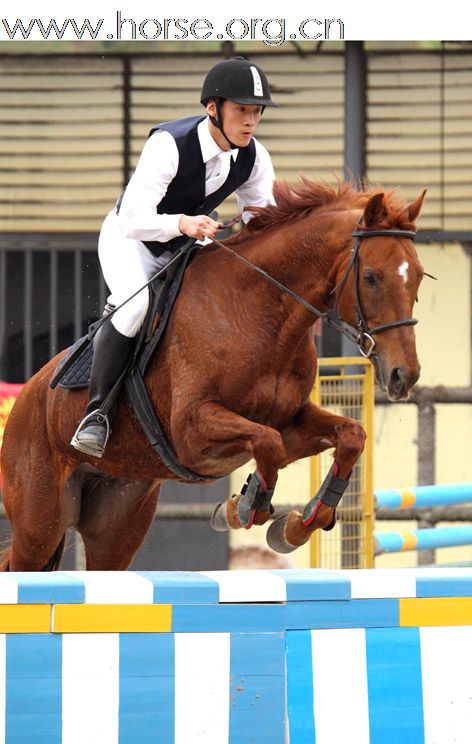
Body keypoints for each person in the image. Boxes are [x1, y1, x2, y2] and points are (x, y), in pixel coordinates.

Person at [71, 56, 277, 458]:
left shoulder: (255, 157)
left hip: (186, 245)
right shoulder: (169, 145)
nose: (250, 122)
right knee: (136, 308)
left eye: (256, 112)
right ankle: (96, 414)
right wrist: (184, 224)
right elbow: (132, 219)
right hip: (130, 240)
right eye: (241, 111)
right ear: (213, 109)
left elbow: (261, 221)